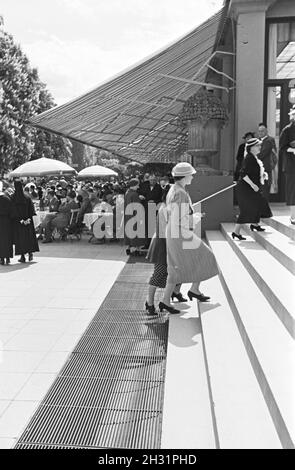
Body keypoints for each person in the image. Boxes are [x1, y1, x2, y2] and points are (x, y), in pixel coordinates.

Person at [160, 162, 218, 313]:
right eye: (191, 174)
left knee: (176, 267)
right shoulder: (181, 193)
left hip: (175, 232)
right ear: (185, 176)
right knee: (206, 256)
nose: (193, 176)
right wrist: (196, 217)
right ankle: (192, 290)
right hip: (179, 232)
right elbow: (179, 218)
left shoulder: (175, 189)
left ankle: (172, 298)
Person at [146, 186, 186, 315]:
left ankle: (169, 297)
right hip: (163, 245)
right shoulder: (165, 209)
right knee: (159, 273)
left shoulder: (169, 208)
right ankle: (149, 303)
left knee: (172, 273)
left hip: (167, 244)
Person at [232, 138, 273, 240]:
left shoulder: (253, 157)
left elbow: (252, 172)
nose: (260, 147)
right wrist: (253, 185)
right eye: (258, 146)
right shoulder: (249, 158)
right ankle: (235, 232)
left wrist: (262, 175)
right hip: (246, 189)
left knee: (258, 203)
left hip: (250, 188)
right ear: (252, 148)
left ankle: (254, 224)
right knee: (246, 210)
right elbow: (244, 174)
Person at [11, 179, 39, 263]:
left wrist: (20, 220)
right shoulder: (27, 197)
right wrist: (28, 219)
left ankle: (22, 256)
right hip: (28, 221)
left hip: (18, 222)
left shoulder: (13, 197)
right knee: (29, 237)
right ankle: (30, 253)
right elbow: (32, 210)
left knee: (20, 239)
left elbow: (12, 211)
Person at [279, 104, 295, 225]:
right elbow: (282, 147)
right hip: (291, 165)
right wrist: (293, 150)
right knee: (292, 190)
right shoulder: (287, 130)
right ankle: (293, 216)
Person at [124, 178, 145, 255]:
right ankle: (135, 250)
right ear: (134, 185)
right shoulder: (135, 194)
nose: (138, 187)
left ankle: (128, 249)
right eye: (137, 185)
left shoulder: (127, 193)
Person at [257, 122, 277, 201]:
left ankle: (265, 209)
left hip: (266, 168)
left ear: (266, 131)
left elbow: (263, 153)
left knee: (265, 189)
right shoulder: (258, 140)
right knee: (260, 190)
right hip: (258, 168)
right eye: (259, 131)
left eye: (262, 131)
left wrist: (253, 157)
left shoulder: (269, 140)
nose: (260, 133)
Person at [0, 181, 14, 265]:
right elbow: (12, 211)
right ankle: (8, 258)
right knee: (7, 240)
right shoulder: (7, 199)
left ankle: (1, 258)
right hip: (7, 222)